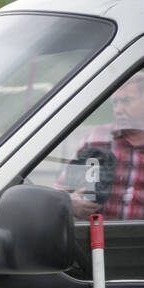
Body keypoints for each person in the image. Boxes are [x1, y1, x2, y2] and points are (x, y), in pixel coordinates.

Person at [63, 71, 144, 221]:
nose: (118, 109)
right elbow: (63, 190)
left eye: (126, 101)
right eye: (115, 102)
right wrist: (71, 203)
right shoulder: (95, 139)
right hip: (96, 239)